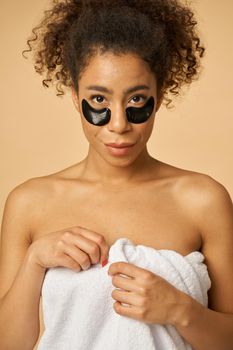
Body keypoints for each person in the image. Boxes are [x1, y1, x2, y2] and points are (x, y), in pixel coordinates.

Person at [0, 0, 233, 349]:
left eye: (137, 101)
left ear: (160, 93)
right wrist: (34, 260)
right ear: (76, 96)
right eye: (99, 101)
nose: (119, 125)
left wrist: (180, 310)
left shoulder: (203, 200)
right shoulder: (29, 203)